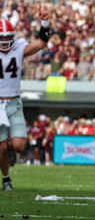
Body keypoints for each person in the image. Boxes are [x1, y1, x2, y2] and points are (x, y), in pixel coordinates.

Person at [0, 10, 51, 191]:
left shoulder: (19, 47)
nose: (5, 42)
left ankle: (12, 154)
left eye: (7, 38)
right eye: (1, 38)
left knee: (19, 145)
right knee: (2, 148)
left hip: (14, 102)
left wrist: (45, 23)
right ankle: (6, 179)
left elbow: (42, 43)